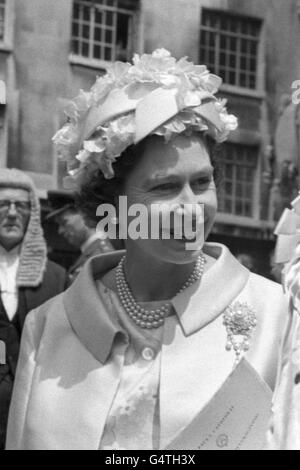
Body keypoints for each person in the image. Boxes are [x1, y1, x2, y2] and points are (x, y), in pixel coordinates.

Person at [6, 49, 288, 450]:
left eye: (203, 182)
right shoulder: (48, 326)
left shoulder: (277, 314)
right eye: (164, 187)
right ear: (112, 201)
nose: (191, 208)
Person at [0, 168, 67, 450]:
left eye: (22, 205)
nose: (13, 213)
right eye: (4, 204)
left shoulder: (56, 277)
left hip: (32, 415)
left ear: (33, 213)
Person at [47, 202, 115, 283]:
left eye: (64, 222)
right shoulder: (92, 252)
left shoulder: (100, 256)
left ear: (84, 215)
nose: (60, 231)